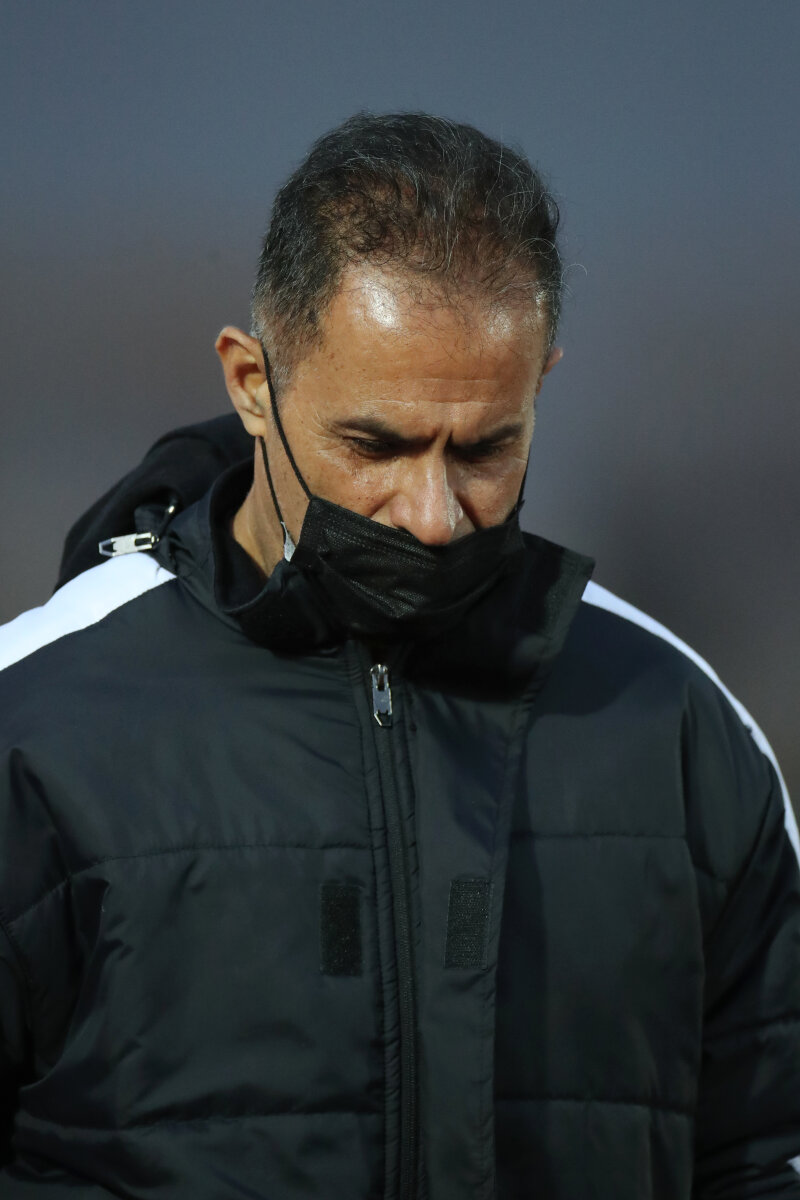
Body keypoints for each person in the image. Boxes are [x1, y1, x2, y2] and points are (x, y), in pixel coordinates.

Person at [0, 112, 798, 1200]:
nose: (431, 514)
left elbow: (764, 1159)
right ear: (252, 383)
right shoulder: (37, 724)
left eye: (485, 449)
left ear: (540, 384)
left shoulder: (681, 729)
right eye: (375, 445)